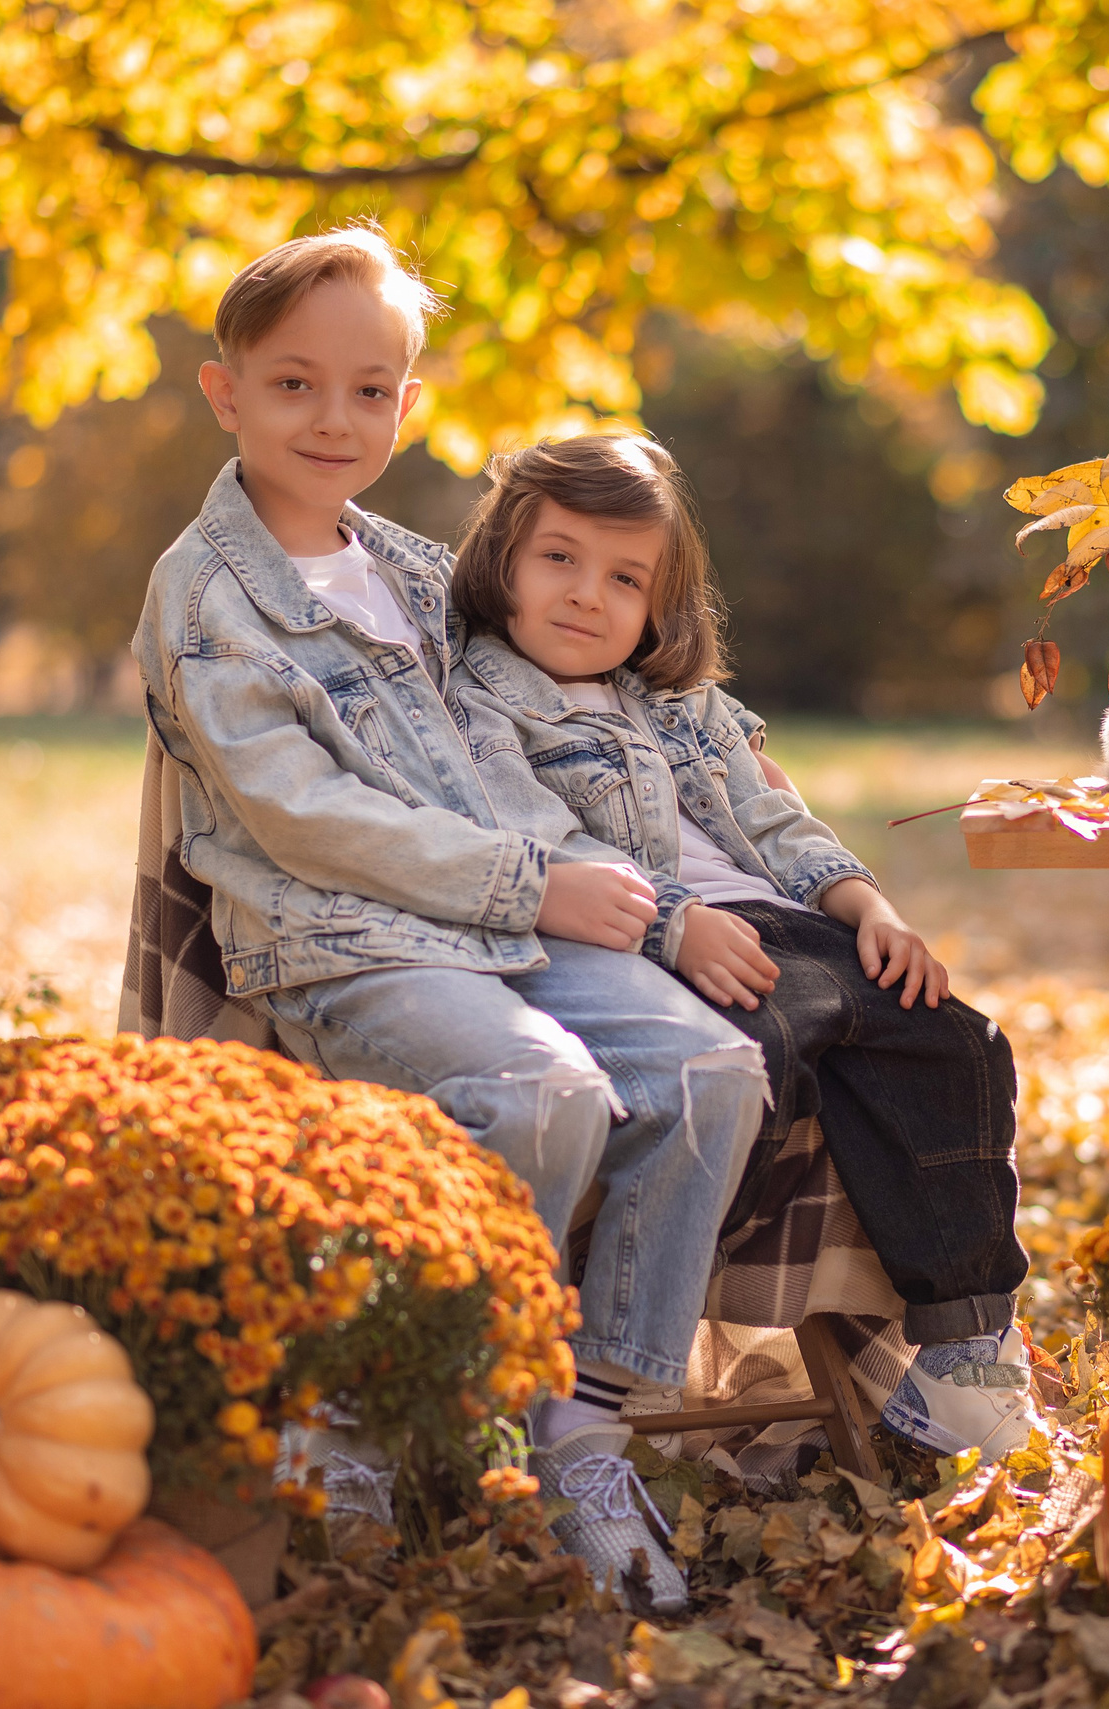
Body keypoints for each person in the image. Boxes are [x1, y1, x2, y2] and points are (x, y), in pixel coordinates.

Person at [128, 227, 766, 1609]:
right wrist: (531, 885)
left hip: (507, 931)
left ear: (407, 405)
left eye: (369, 390)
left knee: (710, 1068)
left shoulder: (421, 575)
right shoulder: (208, 595)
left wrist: (654, 896)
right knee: (542, 1094)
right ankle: (369, 1420)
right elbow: (307, 816)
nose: (334, 418)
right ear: (224, 391)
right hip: (346, 941)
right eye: (294, 384)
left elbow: (524, 744)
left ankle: (582, 1424)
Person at [445, 431, 1040, 1461]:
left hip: (796, 926)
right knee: (755, 1057)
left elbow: (777, 821)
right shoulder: (481, 699)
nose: (587, 594)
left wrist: (870, 907)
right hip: (657, 946)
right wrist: (674, 923)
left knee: (954, 1039)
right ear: (501, 562)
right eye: (558, 558)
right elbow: (543, 841)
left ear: (659, 604)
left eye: (625, 577)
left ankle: (966, 1345)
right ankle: (643, 1341)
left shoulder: (685, 704)